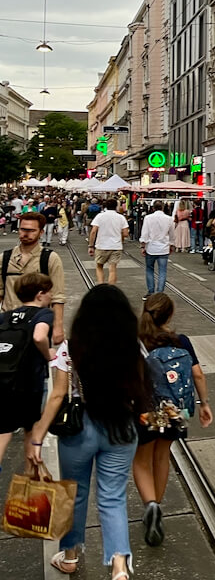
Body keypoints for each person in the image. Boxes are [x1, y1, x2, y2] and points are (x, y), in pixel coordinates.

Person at [29, 284, 149, 580]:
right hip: (121, 428)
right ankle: (119, 567)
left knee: (73, 493)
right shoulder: (133, 346)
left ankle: (70, 556)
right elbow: (143, 387)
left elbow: (57, 395)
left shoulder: (73, 346)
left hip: (80, 428)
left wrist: (37, 437)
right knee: (113, 497)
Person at [133, 294, 212, 546]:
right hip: (174, 410)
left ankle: (150, 505)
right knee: (162, 455)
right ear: (170, 315)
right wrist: (204, 404)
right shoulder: (182, 341)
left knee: (142, 459)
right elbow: (197, 375)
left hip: (147, 409)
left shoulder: (137, 342)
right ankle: (158, 503)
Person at [0, 272, 55, 472]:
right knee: (31, 431)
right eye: (49, 292)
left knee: (3, 429)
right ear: (40, 294)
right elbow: (40, 337)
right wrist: (48, 354)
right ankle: (30, 478)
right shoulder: (44, 314)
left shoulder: (6, 316)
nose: (51, 296)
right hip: (31, 383)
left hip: (5, 380)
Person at [0, 212, 66, 345]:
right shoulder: (5, 258)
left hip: (38, 324)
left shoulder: (49, 258)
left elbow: (58, 295)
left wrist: (58, 326)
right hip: (8, 322)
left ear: (41, 232)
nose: (26, 233)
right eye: (23, 229)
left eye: (31, 230)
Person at [89, 199, 130, 286]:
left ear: (105, 206)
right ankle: (110, 289)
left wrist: (91, 246)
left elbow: (93, 231)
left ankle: (101, 286)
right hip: (116, 246)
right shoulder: (121, 217)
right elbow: (126, 233)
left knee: (99, 266)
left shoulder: (100, 216)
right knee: (112, 269)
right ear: (116, 206)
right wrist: (120, 236)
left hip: (101, 245)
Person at [140, 201, 174, 299]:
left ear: (153, 208)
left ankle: (151, 292)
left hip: (151, 247)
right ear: (163, 208)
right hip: (163, 248)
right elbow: (172, 234)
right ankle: (160, 293)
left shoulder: (148, 218)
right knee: (162, 271)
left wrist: (143, 246)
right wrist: (171, 245)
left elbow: (145, 233)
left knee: (149, 269)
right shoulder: (169, 219)